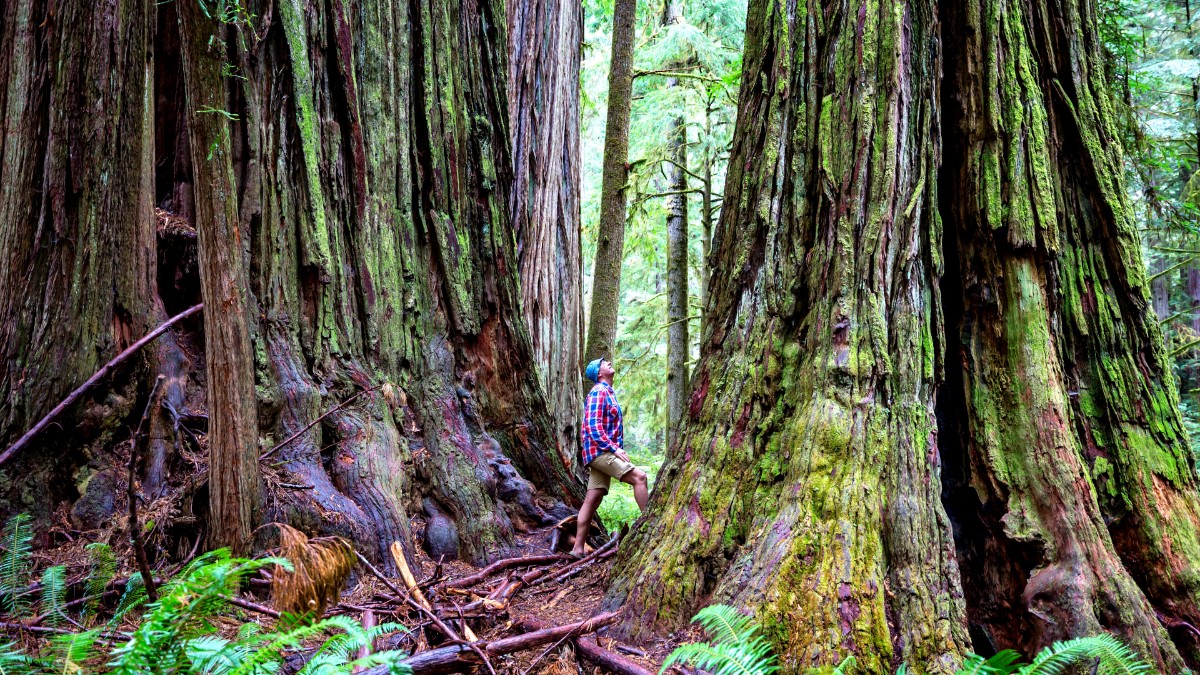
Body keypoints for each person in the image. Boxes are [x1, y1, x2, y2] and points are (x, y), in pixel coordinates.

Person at [572, 357, 649, 558]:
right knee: (640, 478)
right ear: (599, 373)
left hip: (599, 451)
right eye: (604, 363)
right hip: (601, 452)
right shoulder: (599, 391)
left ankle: (577, 548)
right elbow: (593, 426)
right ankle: (650, 525)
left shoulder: (607, 392)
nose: (609, 363)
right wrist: (614, 449)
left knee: (593, 497)